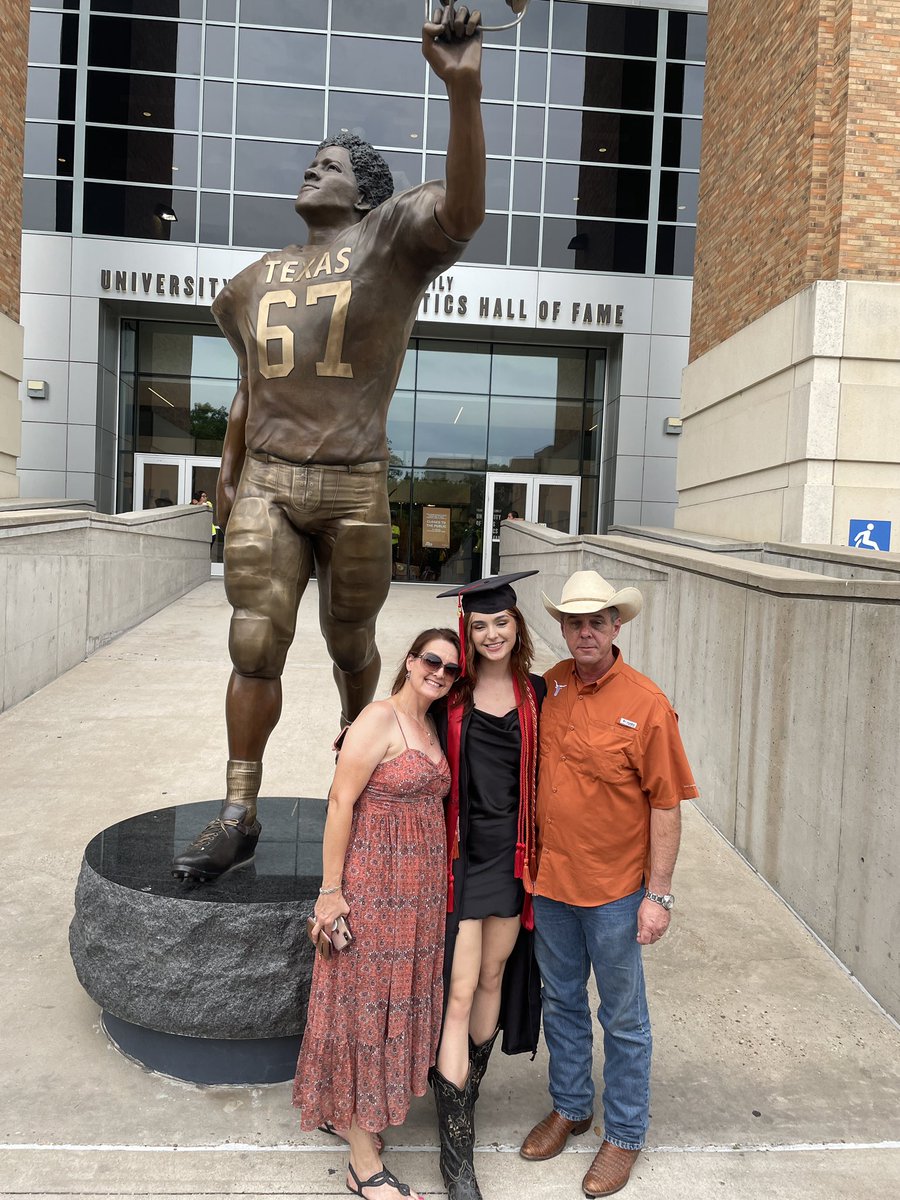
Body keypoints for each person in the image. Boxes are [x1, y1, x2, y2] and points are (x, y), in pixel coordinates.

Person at [172, 2, 486, 882]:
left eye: (336, 164)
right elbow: (249, 386)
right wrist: (229, 472)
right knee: (254, 640)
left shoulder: (390, 240)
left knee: (353, 642)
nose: (316, 167)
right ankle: (238, 809)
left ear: (367, 194)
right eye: (313, 160)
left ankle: (366, 757)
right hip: (270, 480)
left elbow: (464, 209)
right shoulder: (251, 282)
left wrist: (462, 93)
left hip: (353, 480)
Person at [520, 570, 699, 1198]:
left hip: (616, 893)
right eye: (575, 622)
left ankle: (623, 1133)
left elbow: (666, 804)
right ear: (563, 628)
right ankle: (571, 1106)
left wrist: (659, 895)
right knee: (562, 1003)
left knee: (623, 1019)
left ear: (616, 626)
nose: (586, 632)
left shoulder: (647, 703)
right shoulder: (549, 687)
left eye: (597, 621)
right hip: (551, 884)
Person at [293, 627, 461, 1200]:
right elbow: (340, 801)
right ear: (409, 661)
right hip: (373, 886)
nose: (440, 673)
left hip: (419, 896)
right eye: (432, 661)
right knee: (364, 1009)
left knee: (391, 1005)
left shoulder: (430, 725)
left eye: (451, 669)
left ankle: (351, 1117)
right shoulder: (377, 718)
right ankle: (363, 1166)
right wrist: (330, 891)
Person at [431, 571, 544, 1200]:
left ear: (517, 626)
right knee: (459, 989)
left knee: (494, 977)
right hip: (462, 857)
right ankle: (457, 1156)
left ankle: (463, 1093)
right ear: (466, 632)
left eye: (502, 622)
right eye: (481, 625)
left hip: (515, 856)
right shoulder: (451, 693)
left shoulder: (537, 693)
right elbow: (402, 731)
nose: (493, 633)